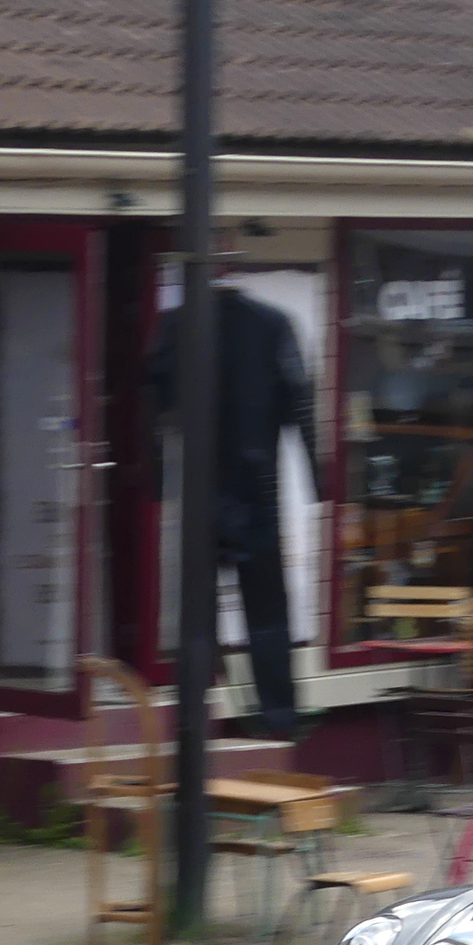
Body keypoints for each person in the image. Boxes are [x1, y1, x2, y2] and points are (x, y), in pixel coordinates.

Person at [152, 284, 323, 737]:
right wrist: (317, 478)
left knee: (196, 617)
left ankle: (192, 717)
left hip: (198, 488)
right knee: (267, 615)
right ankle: (279, 719)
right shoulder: (272, 324)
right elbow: (301, 402)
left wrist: (153, 480)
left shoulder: (177, 324)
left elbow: (152, 402)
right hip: (255, 487)